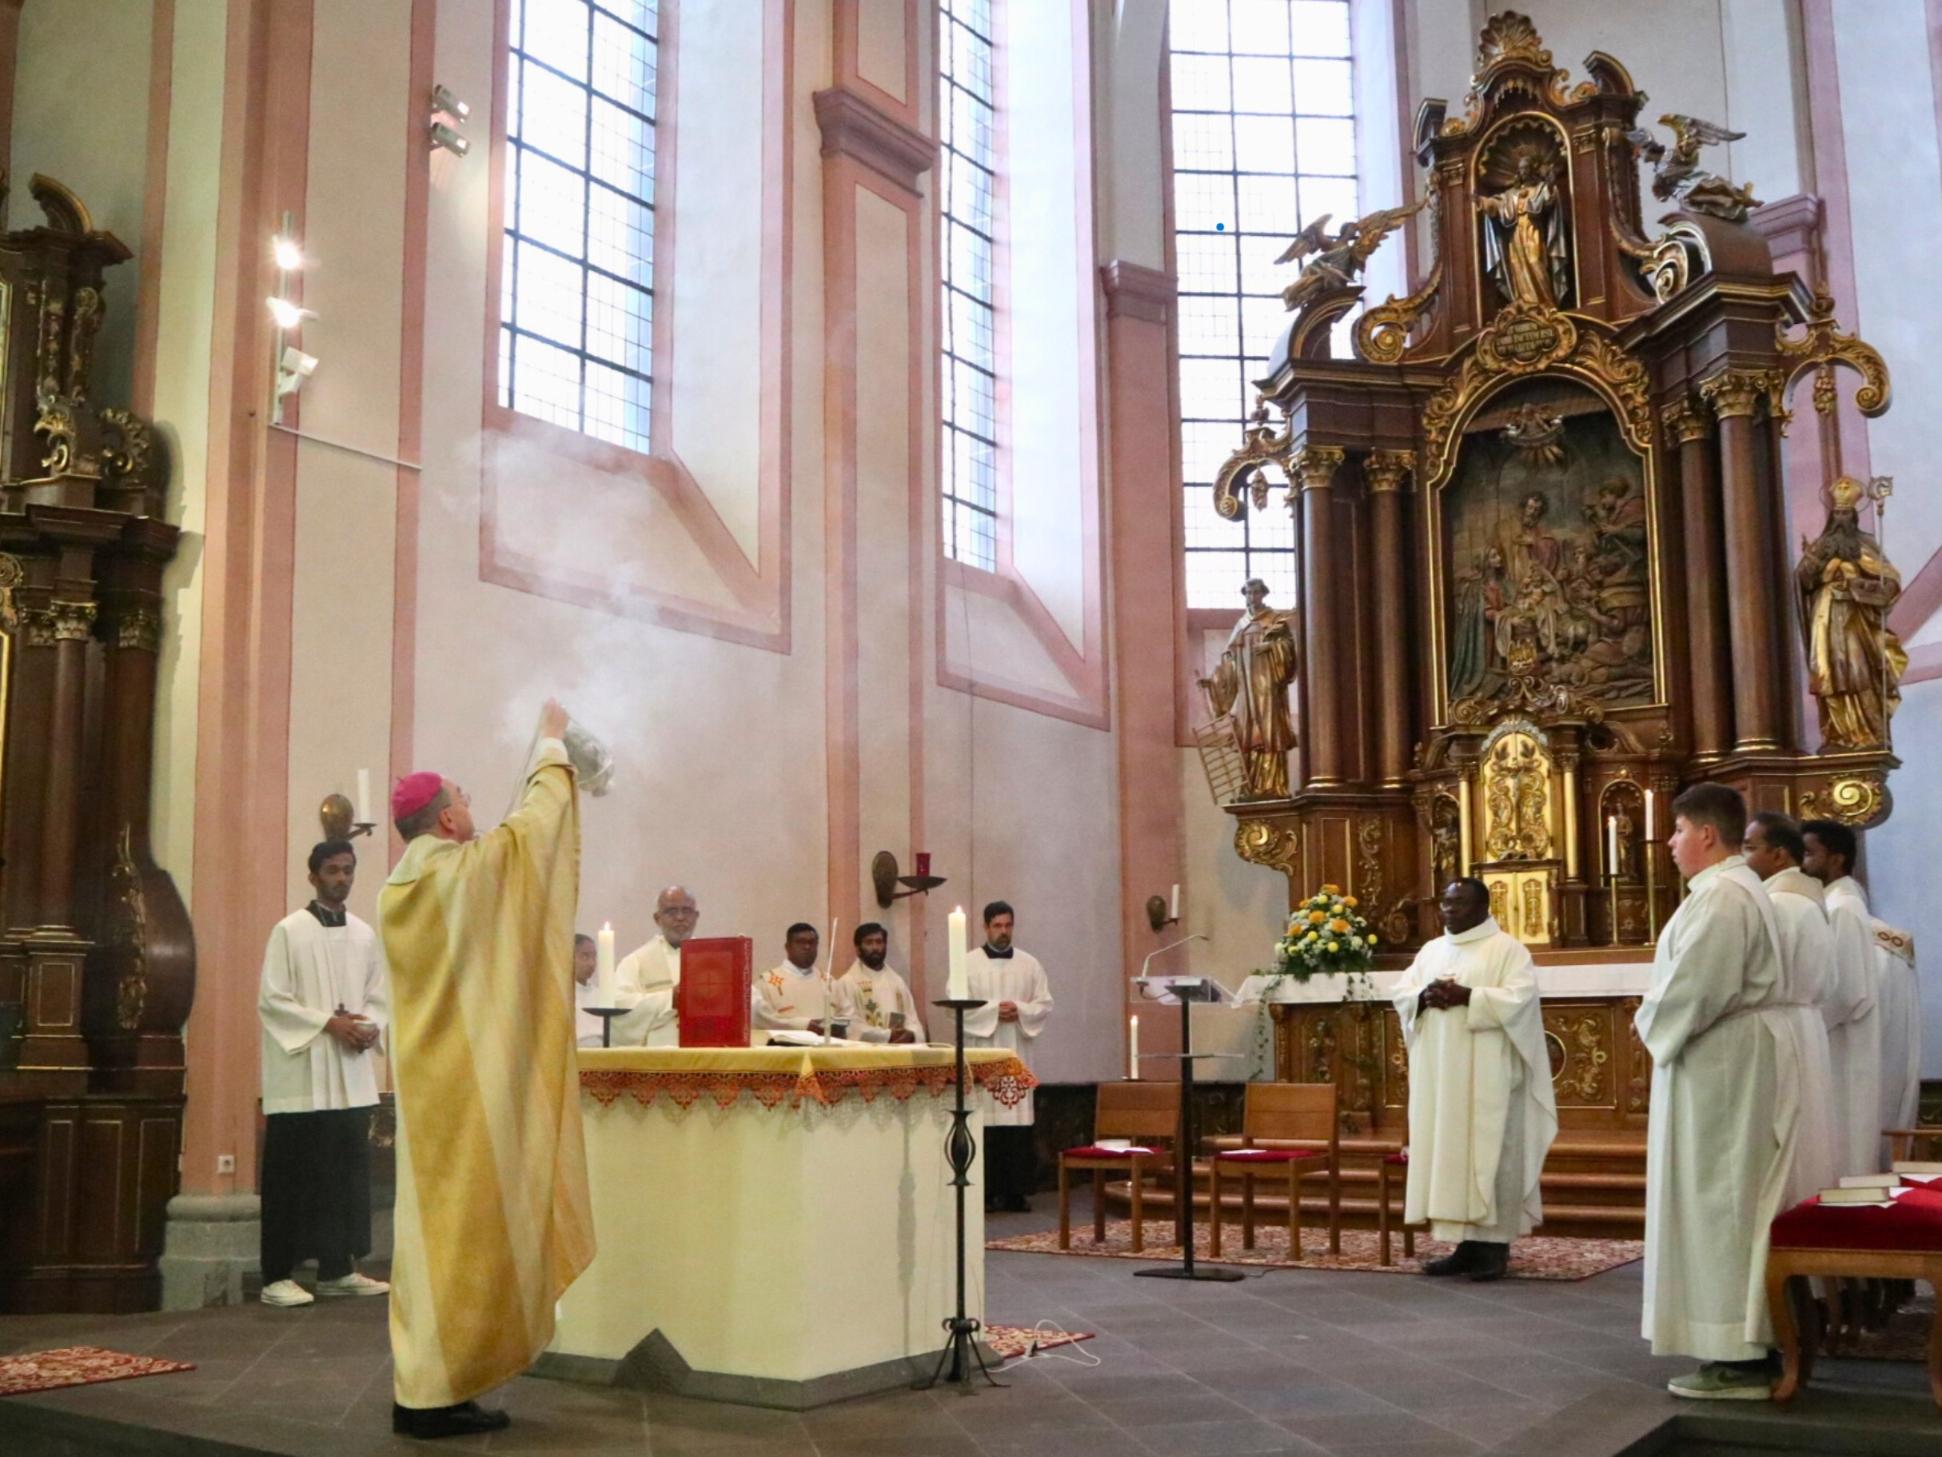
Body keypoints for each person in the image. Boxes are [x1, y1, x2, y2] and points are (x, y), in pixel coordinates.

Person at [380, 701, 594, 1439]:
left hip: (434, 1090)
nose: (472, 805)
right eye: (464, 797)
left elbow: (509, 849)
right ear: (444, 820)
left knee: (434, 1240)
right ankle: (428, 1393)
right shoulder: (457, 874)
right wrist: (550, 750)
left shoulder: (406, 884)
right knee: (463, 1238)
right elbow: (532, 835)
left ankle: (441, 1381)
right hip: (465, 1093)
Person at [1636, 782, 1797, 1401]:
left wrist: (1648, 1021)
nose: (1672, 843)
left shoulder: (1722, 897)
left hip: (1724, 1067)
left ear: (1706, 834)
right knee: (1722, 1198)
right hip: (1724, 1060)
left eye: (1678, 831)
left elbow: (1697, 988)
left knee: (1722, 1201)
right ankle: (1738, 1343)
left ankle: (1740, 1353)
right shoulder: (1729, 891)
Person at [1390, 878, 1557, 1282]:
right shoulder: (1431, 951)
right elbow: (1403, 992)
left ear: (1483, 906)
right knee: (1451, 1154)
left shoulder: (1508, 950)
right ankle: (1464, 1245)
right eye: (1446, 903)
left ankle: (1494, 1248)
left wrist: (1471, 998)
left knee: (1491, 1152)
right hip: (1442, 1075)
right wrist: (1422, 999)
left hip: (1490, 1076)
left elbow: (1520, 1000)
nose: (1449, 910)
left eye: (1459, 903)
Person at [257, 840, 391, 1308]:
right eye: (332, 870)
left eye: (348, 870)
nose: (342, 879)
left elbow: (379, 995)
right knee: (292, 1178)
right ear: (313, 876)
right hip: (302, 1077)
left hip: (349, 1075)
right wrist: (330, 1024)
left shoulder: (363, 934)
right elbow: (273, 1000)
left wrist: (369, 1029)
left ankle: (338, 1268)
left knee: (346, 1177)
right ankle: (277, 1274)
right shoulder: (289, 931)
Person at [1741, 813, 1839, 1206]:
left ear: (1779, 855)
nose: (1742, 858)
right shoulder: (1810, 901)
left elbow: (1752, 978)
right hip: (1807, 1026)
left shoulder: (1776, 905)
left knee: (1781, 1141)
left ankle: (1784, 1239)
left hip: (1777, 1027)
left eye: (1749, 848)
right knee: (1808, 1135)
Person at [1803, 819, 1886, 1169]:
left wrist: (1802, 1023)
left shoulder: (1843, 909)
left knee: (1843, 1142)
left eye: (1809, 853)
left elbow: (1847, 990)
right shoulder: (1833, 904)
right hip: (1833, 1041)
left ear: (1836, 859)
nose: (1801, 862)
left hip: (1841, 1045)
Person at [964, 902, 1052, 1213]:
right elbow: (956, 1006)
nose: (1003, 932)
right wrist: (992, 1010)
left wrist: (1020, 1010)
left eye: (1008, 926)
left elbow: (1044, 1003)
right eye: (997, 926)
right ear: (985, 927)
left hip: (1016, 1052)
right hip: (983, 1055)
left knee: (1016, 1125)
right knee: (985, 1122)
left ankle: (1016, 1192)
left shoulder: (1030, 964)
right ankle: (986, 1192)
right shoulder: (968, 964)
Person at [1199, 577, 1298, 799]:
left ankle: (1274, 786)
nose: (1252, 597)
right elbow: (1230, 660)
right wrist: (1214, 682)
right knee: (1248, 734)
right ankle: (1251, 786)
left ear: (1264, 594)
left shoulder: (1275, 620)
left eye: (1256, 592)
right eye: (1248, 593)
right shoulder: (1242, 624)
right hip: (1247, 691)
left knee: (1270, 732)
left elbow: (1289, 651)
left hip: (1268, 689)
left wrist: (1272, 647)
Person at [612, 886, 698, 1047]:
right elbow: (619, 1007)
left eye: (686, 911)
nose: (680, 917)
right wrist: (670, 999)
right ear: (657, 918)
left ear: (696, 916)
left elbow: (749, 1005)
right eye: (671, 911)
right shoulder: (635, 962)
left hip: (706, 1053)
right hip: (656, 1059)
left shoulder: (717, 958)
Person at [836, 923, 923, 1044]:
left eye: (879, 942)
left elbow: (913, 1021)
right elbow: (850, 1026)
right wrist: (887, 1036)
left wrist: (911, 1034)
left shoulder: (897, 982)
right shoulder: (847, 983)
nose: (875, 947)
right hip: (867, 1056)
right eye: (869, 942)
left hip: (899, 1053)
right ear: (857, 949)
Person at [753, 923, 842, 1034]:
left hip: (828, 1049)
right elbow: (761, 1020)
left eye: (812, 943)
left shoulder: (829, 982)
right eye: (800, 942)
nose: (807, 947)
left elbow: (848, 1017)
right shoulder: (767, 982)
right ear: (787, 947)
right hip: (787, 1049)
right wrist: (804, 1025)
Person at [572, 934, 602, 1049]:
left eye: (594, 957)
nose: (591, 963)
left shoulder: (600, 994)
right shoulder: (561, 995)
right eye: (585, 956)